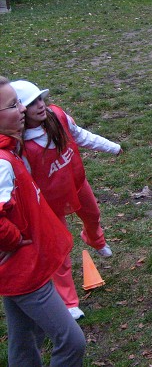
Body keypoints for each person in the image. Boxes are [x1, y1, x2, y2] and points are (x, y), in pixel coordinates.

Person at [11, 80, 122, 320]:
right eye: (32, 103)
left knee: (93, 215)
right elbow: (25, 182)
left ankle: (95, 239)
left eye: (41, 99)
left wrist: (113, 147)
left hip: (75, 183)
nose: (40, 105)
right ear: (20, 109)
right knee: (59, 247)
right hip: (49, 202)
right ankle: (69, 301)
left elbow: (81, 136)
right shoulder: (21, 146)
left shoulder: (58, 117)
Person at [0, 77, 86, 365]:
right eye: (13, 105)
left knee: (25, 342)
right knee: (72, 342)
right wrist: (15, 241)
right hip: (25, 271)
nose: (23, 109)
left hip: (24, 269)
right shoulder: (2, 162)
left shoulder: (11, 149)